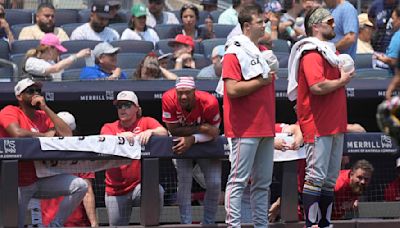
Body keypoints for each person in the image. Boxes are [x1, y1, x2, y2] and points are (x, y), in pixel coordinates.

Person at [288, 7, 354, 228]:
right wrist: (343, 80)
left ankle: (325, 223)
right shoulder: (311, 52)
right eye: (329, 21)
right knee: (315, 176)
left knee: (329, 179)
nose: (334, 25)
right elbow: (317, 86)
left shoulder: (330, 52)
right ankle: (312, 224)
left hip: (335, 123)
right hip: (317, 123)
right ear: (316, 26)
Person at [0, 78, 88, 227]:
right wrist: (44, 135)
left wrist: (45, 107)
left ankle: (56, 224)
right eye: (30, 91)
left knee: (80, 186)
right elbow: (17, 133)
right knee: (14, 225)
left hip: (41, 178)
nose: (35, 94)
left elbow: (67, 134)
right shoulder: (10, 111)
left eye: (38, 91)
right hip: (17, 183)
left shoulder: (42, 115)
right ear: (19, 97)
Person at [222, 3, 275, 227]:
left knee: (263, 183)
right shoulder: (234, 51)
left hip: (265, 126)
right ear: (246, 26)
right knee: (238, 181)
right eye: (260, 22)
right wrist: (261, 81)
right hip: (245, 127)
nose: (264, 25)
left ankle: (260, 225)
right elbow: (232, 90)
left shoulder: (262, 52)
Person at [101, 90, 167, 226]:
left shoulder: (146, 121)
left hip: (138, 187)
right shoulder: (110, 127)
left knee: (157, 190)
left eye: (127, 105)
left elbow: (164, 133)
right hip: (116, 190)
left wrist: (151, 131)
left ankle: (152, 224)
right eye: (119, 106)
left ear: (137, 108)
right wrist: (119, 137)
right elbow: (104, 139)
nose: (122, 109)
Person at [162, 77, 222, 224]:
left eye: (187, 93)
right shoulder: (168, 98)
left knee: (214, 183)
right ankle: (186, 224)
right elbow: (173, 129)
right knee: (184, 181)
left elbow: (214, 132)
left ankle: (209, 223)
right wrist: (201, 128)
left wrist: (193, 138)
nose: (183, 96)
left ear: (194, 92)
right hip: (181, 141)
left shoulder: (210, 102)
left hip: (205, 142)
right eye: (180, 92)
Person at [40, 112, 98, 227]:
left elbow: (87, 192)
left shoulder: (81, 155)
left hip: (75, 223)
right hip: (48, 222)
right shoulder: (41, 151)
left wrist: (94, 223)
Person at [23, 33, 91, 81]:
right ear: (49, 48)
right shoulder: (31, 61)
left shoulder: (51, 62)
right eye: (58, 50)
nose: (59, 53)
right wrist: (77, 56)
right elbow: (55, 69)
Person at [374, 7, 400, 75]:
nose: (391, 21)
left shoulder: (397, 36)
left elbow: (393, 61)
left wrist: (379, 57)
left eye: (393, 18)